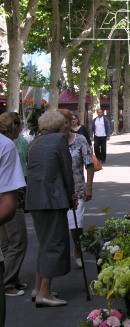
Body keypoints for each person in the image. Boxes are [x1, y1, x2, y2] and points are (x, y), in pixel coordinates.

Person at [26, 110, 76, 307]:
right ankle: (44, 293)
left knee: (45, 243)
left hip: (35, 198)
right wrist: (72, 195)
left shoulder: (35, 142)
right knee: (55, 243)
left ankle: (38, 287)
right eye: (64, 123)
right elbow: (67, 171)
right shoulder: (59, 141)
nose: (67, 126)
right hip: (53, 199)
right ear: (57, 125)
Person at [58, 109, 94, 269]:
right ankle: (60, 255)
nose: (65, 125)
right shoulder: (54, 141)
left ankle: (77, 249)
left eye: (67, 121)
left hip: (77, 188)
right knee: (60, 225)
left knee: (76, 224)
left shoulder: (80, 140)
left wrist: (89, 187)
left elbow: (89, 164)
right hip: (57, 191)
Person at [0, 113, 28, 298]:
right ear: (14, 126)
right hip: (8, 197)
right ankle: (8, 282)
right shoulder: (8, 145)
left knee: (6, 242)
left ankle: (11, 278)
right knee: (18, 241)